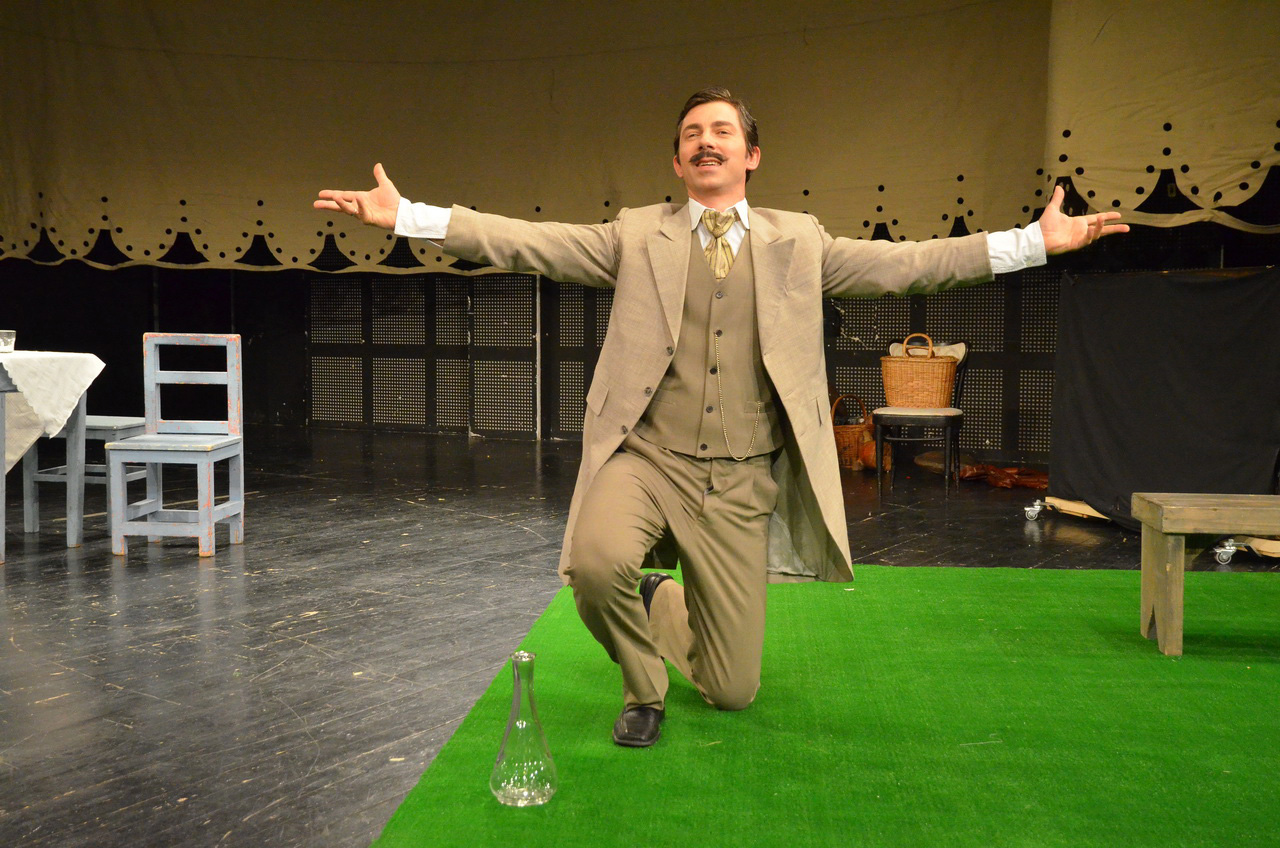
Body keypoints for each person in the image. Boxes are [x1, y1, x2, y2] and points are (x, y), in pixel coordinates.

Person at [315, 87, 1127, 748]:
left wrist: (1032, 243)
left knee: (733, 691)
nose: (706, 143)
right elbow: (527, 242)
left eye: (722, 132)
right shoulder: (636, 235)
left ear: (751, 155)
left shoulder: (799, 241)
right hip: (647, 458)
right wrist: (411, 216)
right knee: (593, 567)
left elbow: (913, 263)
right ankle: (643, 689)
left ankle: (662, 602)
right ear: (678, 161)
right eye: (692, 135)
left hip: (739, 481)